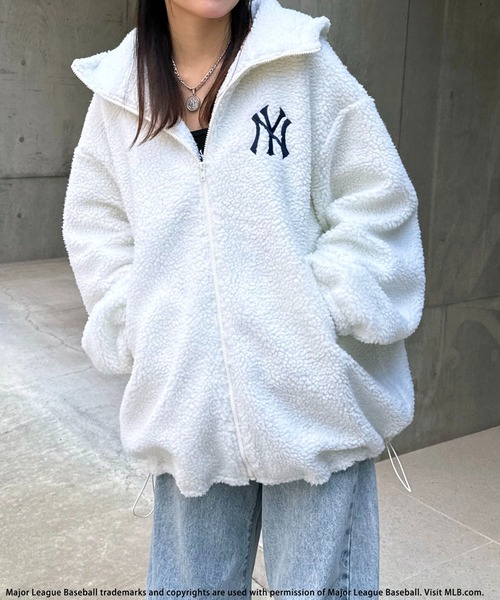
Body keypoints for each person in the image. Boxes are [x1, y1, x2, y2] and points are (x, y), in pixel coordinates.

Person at [62, 0, 426, 594]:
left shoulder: (299, 61)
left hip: (313, 408)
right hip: (187, 410)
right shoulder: (121, 93)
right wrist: (141, 326)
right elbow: (95, 226)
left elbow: (376, 197)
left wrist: (322, 311)